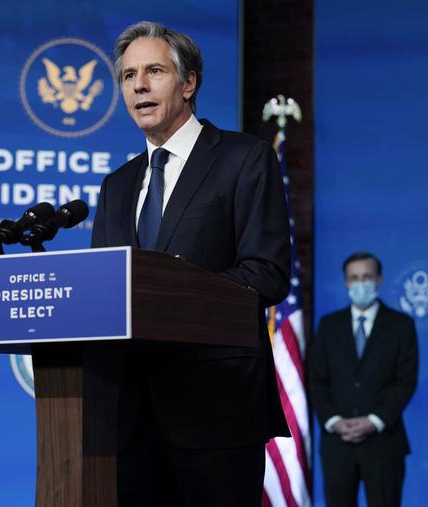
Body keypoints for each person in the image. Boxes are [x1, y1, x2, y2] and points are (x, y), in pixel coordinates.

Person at [91, 21, 291, 506]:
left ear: (188, 83)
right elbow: (102, 290)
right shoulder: (116, 186)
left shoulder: (244, 158)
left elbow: (266, 273)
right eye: (128, 75)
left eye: (154, 71)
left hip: (215, 407)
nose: (138, 85)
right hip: (130, 415)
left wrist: (169, 295)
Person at [310, 252, 418, 507]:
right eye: (354, 277)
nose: (361, 283)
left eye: (366, 276)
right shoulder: (328, 325)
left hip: (384, 444)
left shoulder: (401, 325)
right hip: (337, 445)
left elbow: (406, 381)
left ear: (379, 279)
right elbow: (317, 381)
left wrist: (374, 420)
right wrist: (334, 421)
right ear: (346, 282)